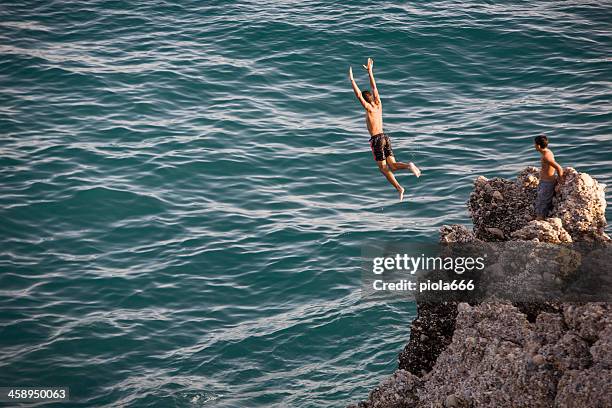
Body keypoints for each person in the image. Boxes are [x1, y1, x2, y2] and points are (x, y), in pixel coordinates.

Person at [349, 58, 421, 201]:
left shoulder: (368, 108)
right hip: (385, 137)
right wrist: (370, 72)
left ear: (365, 100)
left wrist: (352, 80)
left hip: (376, 140)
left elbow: (358, 95)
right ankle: (408, 166)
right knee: (392, 166)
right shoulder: (378, 104)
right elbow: (374, 88)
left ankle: (399, 188)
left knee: (383, 168)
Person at [534, 135, 564, 220]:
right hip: (544, 182)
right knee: (541, 200)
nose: (534, 146)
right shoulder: (546, 152)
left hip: (547, 183)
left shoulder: (546, 156)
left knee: (543, 202)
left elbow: (558, 167)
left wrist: (560, 179)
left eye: (535, 144)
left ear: (538, 146)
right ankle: (541, 216)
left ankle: (540, 219)